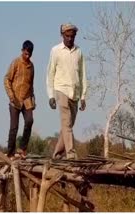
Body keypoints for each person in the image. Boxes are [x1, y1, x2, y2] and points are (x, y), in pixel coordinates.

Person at [47, 23, 87, 160]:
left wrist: (83, 96)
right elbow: (50, 73)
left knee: (68, 125)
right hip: (61, 89)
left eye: (72, 36)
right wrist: (51, 95)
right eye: (67, 36)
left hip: (75, 92)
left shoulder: (79, 52)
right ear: (62, 36)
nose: (70, 39)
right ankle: (71, 153)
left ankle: (57, 154)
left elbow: (83, 75)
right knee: (66, 122)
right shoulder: (55, 50)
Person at [4, 40, 35, 160]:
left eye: (29, 54)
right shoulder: (16, 63)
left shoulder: (32, 66)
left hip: (27, 100)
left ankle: (22, 148)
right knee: (14, 127)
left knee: (29, 121)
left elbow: (31, 85)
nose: (27, 56)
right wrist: (11, 95)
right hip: (15, 100)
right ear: (22, 51)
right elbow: (7, 79)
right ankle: (10, 153)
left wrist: (33, 100)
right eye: (26, 53)